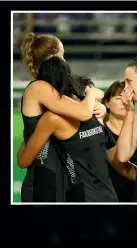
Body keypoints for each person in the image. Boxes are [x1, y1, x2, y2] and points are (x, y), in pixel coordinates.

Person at [17, 57, 134, 202]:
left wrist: (31, 131)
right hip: (103, 196)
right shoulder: (93, 115)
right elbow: (117, 159)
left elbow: (22, 161)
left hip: (89, 198)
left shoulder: (53, 119)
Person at [19, 32, 100, 202]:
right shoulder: (39, 88)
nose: (65, 61)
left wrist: (100, 107)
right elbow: (84, 112)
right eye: (62, 55)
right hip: (45, 184)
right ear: (54, 57)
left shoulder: (53, 89)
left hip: (64, 178)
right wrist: (91, 93)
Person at [102, 81, 137, 201]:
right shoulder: (99, 132)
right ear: (107, 103)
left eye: (127, 98)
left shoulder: (136, 131)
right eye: (119, 98)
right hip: (111, 199)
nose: (124, 102)